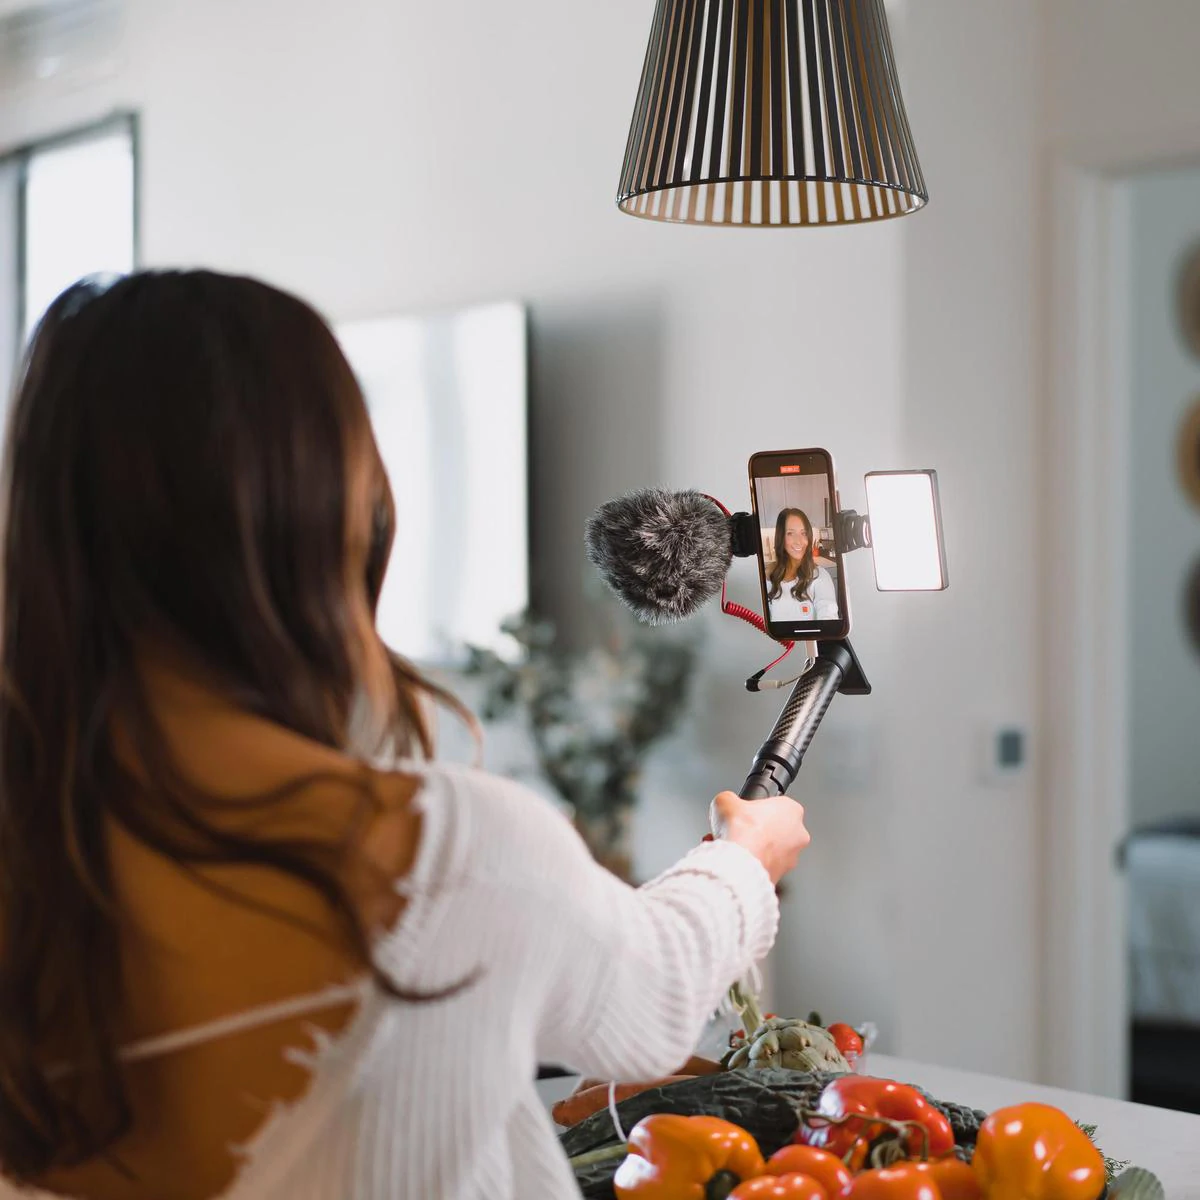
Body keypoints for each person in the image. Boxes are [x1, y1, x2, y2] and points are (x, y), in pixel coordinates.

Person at [0, 270, 811, 1200]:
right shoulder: (451, 853)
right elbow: (655, 996)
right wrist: (744, 858)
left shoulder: (41, 859)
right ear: (330, 512)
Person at [765, 507, 838, 622]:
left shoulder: (820, 577)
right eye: (790, 533)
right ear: (781, 538)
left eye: (803, 533)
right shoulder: (767, 577)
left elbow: (828, 618)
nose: (798, 541)